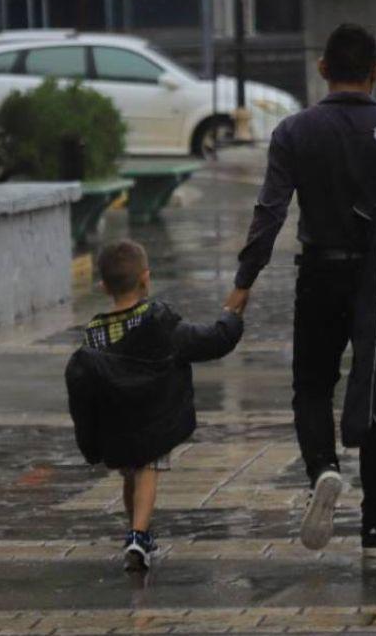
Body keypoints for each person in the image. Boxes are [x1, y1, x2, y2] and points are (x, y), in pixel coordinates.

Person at [225, 23, 376, 559]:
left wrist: (244, 284)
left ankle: (324, 470)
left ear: (323, 69)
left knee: (312, 384)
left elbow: (270, 211)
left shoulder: (294, 132)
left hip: (320, 275)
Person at [65, 240, 243, 571]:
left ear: (103, 286)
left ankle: (136, 529)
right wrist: (231, 317)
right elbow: (211, 341)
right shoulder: (159, 323)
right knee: (148, 468)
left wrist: (91, 441)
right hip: (152, 418)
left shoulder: (92, 334)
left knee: (130, 475)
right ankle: (138, 534)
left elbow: (85, 386)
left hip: (116, 425)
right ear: (146, 278)